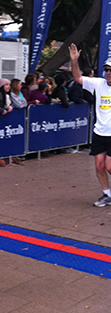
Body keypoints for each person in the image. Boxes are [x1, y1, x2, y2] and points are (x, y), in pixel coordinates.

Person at [70, 44, 111, 207]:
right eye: (107, 70)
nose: (108, 73)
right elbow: (78, 79)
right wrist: (74, 62)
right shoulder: (98, 84)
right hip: (100, 132)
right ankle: (107, 194)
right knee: (99, 165)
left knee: (109, 165)